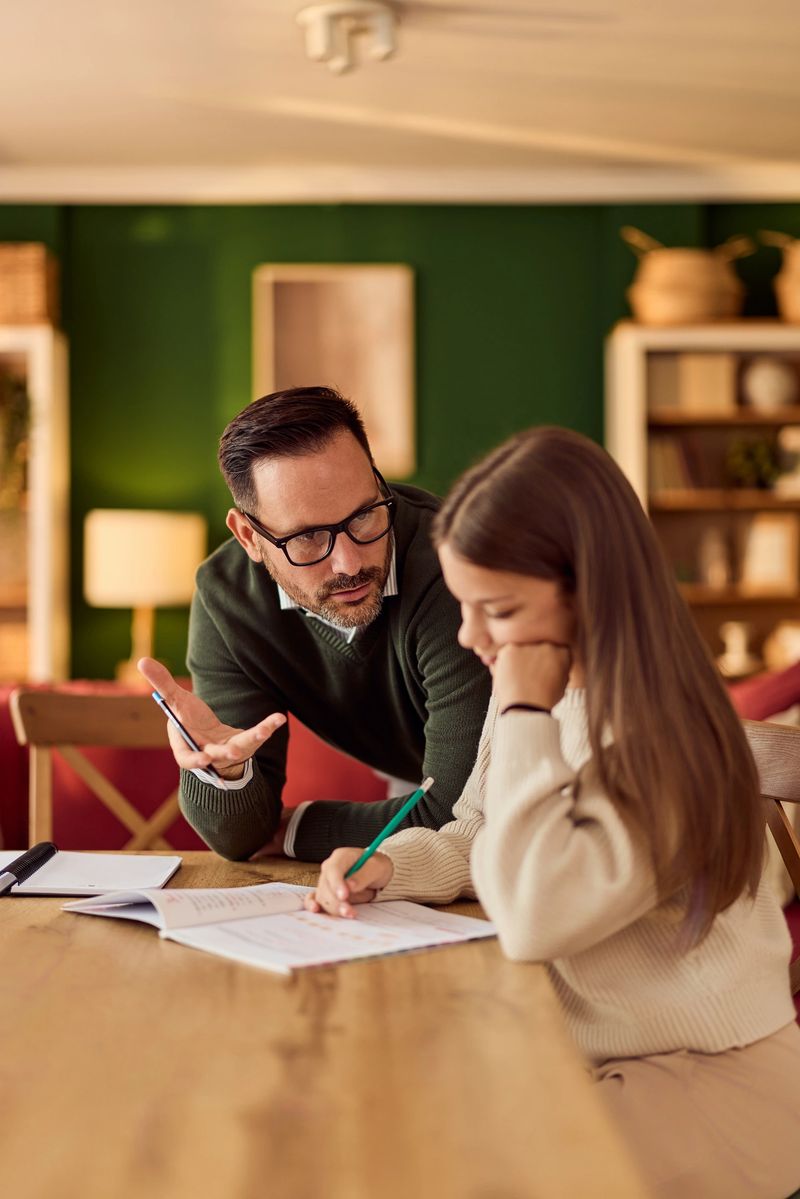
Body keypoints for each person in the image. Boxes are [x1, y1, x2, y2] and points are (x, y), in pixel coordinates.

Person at [308, 426, 800, 1199]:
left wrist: (527, 708)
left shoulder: (662, 736)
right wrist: (388, 868)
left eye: (496, 610)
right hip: (591, 1057)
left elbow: (536, 910)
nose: (470, 638)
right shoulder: (537, 692)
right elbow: (481, 831)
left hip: (710, 1081)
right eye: (464, 606)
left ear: (587, 589)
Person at [139, 386, 491, 863]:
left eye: (365, 514)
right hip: (417, 788)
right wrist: (225, 774)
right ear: (249, 537)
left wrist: (293, 830)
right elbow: (237, 838)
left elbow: (458, 814)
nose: (348, 562)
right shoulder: (228, 600)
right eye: (307, 538)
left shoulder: (453, 565)